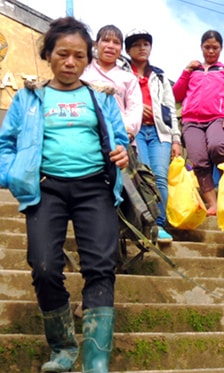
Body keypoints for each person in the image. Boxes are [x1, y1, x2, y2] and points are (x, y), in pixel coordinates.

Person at [0, 16, 130, 372]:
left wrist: (122, 152)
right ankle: (62, 349)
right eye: (62, 54)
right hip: (46, 190)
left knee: (101, 268)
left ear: (87, 59)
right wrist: (12, 175)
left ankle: (95, 361)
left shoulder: (100, 99)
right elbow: (4, 144)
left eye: (78, 56)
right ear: (48, 55)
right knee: (43, 267)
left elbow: (120, 139)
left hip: (95, 189)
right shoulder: (29, 98)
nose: (70, 62)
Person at [172, 30, 224, 216]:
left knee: (217, 146)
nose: (211, 51)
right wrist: (186, 71)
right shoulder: (192, 71)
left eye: (215, 48)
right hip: (191, 121)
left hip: (216, 118)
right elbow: (176, 95)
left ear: (221, 48)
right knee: (199, 161)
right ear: (201, 47)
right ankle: (213, 204)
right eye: (207, 47)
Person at [124, 29, 182, 242]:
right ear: (128, 50)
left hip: (160, 133)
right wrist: (138, 109)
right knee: (143, 175)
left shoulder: (159, 76)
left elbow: (170, 109)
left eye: (146, 44)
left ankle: (160, 225)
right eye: (137, 44)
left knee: (160, 178)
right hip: (135, 131)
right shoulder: (123, 72)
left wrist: (176, 139)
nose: (142, 48)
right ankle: (144, 223)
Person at [81, 24, 143, 143]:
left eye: (116, 42)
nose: (110, 46)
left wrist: (128, 130)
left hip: (119, 135)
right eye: (105, 40)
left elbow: (134, 108)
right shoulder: (84, 70)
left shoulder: (128, 78)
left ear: (121, 49)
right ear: (96, 44)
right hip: (85, 132)